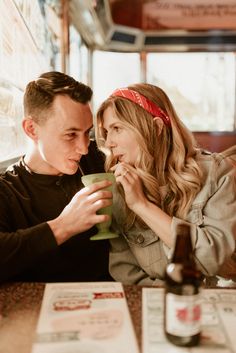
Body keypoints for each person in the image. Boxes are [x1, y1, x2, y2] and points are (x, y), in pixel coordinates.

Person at [95, 83, 236, 285]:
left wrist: (142, 206)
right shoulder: (118, 189)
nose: (108, 142)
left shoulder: (216, 173)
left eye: (117, 128)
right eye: (107, 131)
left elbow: (211, 259)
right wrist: (173, 298)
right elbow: (126, 274)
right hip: (159, 304)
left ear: (156, 128)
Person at [0, 71, 113, 283]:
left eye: (87, 133)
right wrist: (64, 225)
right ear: (32, 129)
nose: (84, 149)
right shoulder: (7, 190)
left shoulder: (98, 159)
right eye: (70, 135)